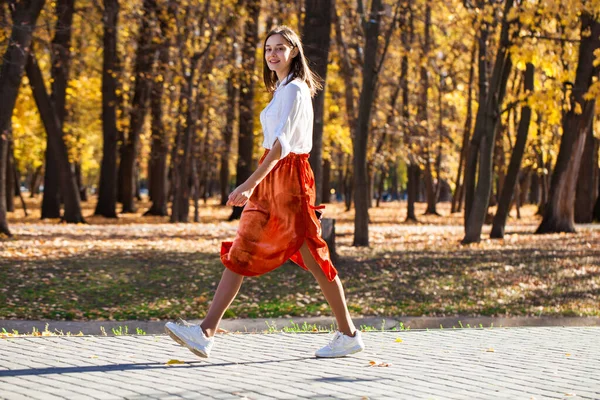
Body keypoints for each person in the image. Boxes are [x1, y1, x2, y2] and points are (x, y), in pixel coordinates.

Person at [165, 25, 364, 359]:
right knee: (243, 247)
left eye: (280, 48)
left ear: (294, 52)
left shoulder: (294, 91)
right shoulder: (282, 88)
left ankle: (348, 334)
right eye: (268, 48)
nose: (273, 54)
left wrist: (249, 183)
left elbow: (281, 146)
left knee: (315, 256)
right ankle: (204, 332)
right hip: (273, 176)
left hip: (289, 179)